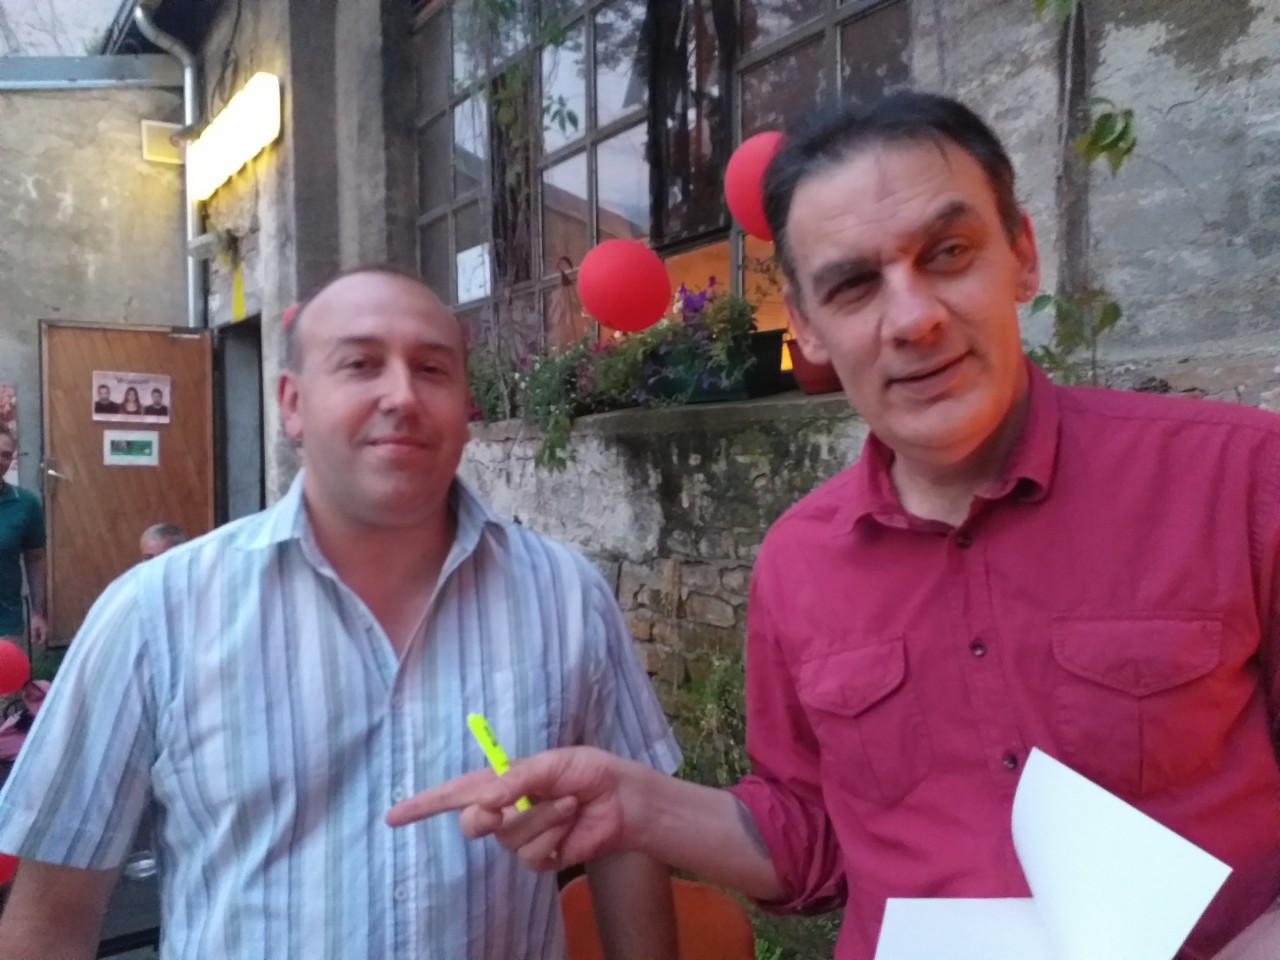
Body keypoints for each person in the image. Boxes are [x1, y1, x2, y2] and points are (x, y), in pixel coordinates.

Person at [388, 92, 1280, 960]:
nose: (913, 317)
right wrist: (633, 805)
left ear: (1022, 255)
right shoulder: (799, 563)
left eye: (949, 253)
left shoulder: (1238, 481)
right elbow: (808, 837)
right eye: (854, 286)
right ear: (807, 329)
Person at [0, 266, 680, 959]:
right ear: (292, 404)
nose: (402, 395)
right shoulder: (156, 615)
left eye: (432, 369)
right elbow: (52, 914)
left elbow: (629, 842)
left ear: (464, 402)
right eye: (360, 364)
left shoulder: (566, 597)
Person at [0, 427, 46, 648]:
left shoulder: (26, 504)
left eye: (6, 455)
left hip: (5, 622)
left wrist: (38, 612)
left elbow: (36, 559)